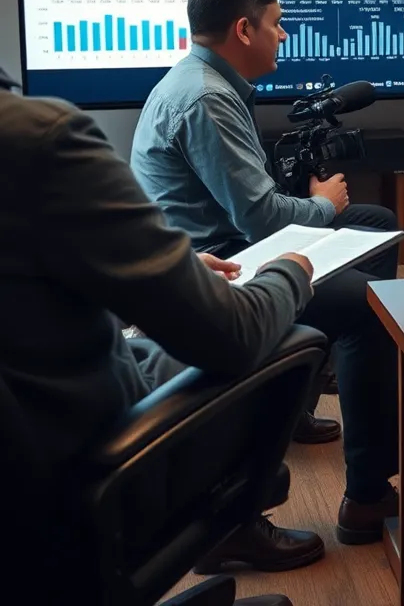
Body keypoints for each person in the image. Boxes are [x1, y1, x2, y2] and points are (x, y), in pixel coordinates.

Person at [0, 63, 320, 595]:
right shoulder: (36, 139)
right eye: (277, 25)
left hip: (29, 455)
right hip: (84, 483)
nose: (284, 36)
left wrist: (158, 282)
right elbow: (233, 334)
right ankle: (241, 524)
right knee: (286, 343)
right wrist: (290, 272)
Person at [130, 0, 399, 544]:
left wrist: (320, 208)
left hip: (229, 242)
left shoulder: (204, 80)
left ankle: (295, 396)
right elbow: (262, 220)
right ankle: (367, 496)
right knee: (372, 309)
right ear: (243, 29)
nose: (283, 35)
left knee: (377, 223)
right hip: (222, 263)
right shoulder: (206, 98)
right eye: (276, 24)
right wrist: (323, 205)